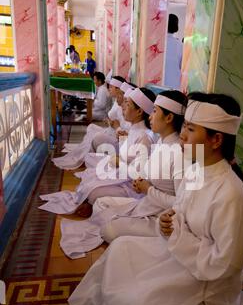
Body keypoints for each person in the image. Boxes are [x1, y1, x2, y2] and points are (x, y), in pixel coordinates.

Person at [68, 92, 243, 305]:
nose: (183, 136)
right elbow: (183, 210)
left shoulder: (230, 195)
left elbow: (225, 264)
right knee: (121, 249)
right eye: (184, 127)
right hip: (181, 255)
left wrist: (177, 236)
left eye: (189, 129)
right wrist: (170, 221)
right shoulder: (197, 170)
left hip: (207, 288)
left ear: (216, 139)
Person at [59, 90, 187, 258]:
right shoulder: (163, 143)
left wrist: (147, 188)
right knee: (101, 205)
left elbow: (181, 204)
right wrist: (143, 182)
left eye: (155, 111)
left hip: (159, 217)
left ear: (169, 118)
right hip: (146, 203)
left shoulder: (180, 152)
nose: (150, 116)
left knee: (108, 229)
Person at [39, 87, 157, 218]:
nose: (123, 107)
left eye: (128, 104)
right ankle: (88, 202)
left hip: (129, 185)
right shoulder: (135, 129)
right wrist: (120, 148)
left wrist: (118, 162)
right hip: (120, 172)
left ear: (139, 111)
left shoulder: (145, 137)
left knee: (94, 190)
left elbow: (138, 172)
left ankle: (90, 203)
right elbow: (127, 152)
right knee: (91, 174)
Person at [51, 76, 128, 171]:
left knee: (94, 136)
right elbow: (117, 122)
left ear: (118, 89)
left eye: (111, 87)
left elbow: (123, 130)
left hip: (116, 137)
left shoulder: (122, 104)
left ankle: (86, 155)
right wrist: (111, 123)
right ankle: (85, 153)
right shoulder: (118, 102)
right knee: (91, 128)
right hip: (112, 131)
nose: (109, 89)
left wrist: (117, 127)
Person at [164, 14, 183, 90]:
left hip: (156, 86)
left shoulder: (157, 44)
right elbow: (182, 67)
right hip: (174, 87)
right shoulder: (180, 45)